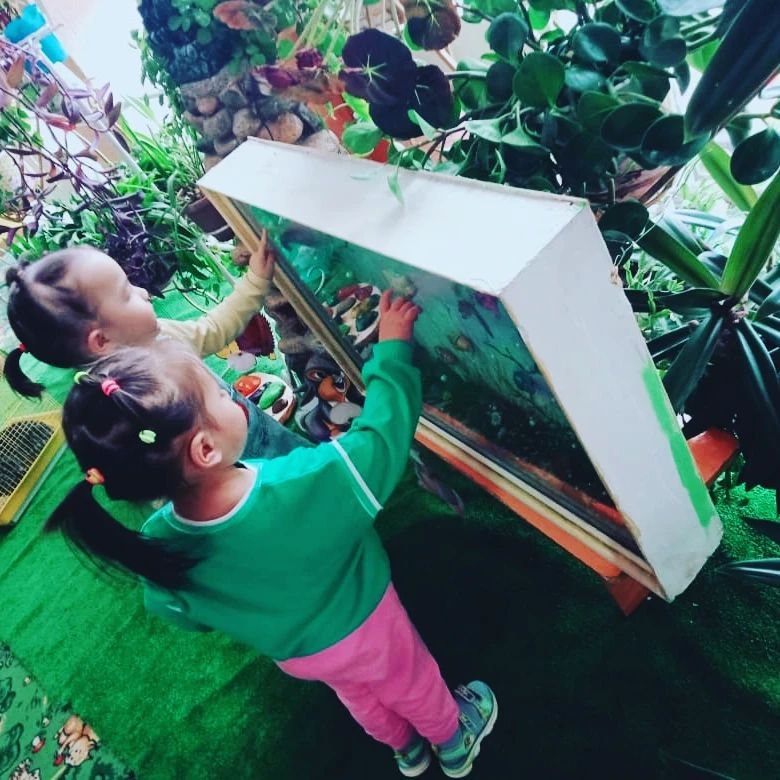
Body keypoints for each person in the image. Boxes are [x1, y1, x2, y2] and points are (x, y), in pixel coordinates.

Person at [48, 291, 497, 778]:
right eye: (220, 395)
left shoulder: (157, 541)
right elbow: (381, 441)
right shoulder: (296, 484)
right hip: (365, 622)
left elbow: (178, 611)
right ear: (204, 449)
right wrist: (391, 352)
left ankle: (406, 750)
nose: (230, 396)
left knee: (358, 694)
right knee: (408, 679)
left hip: (300, 655)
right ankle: (453, 740)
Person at [3, 232, 308, 457]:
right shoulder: (123, 403)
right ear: (102, 340)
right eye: (127, 293)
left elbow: (213, 330)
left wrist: (255, 281)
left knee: (298, 460)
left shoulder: (158, 335)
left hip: (250, 427)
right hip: (239, 458)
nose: (144, 292)